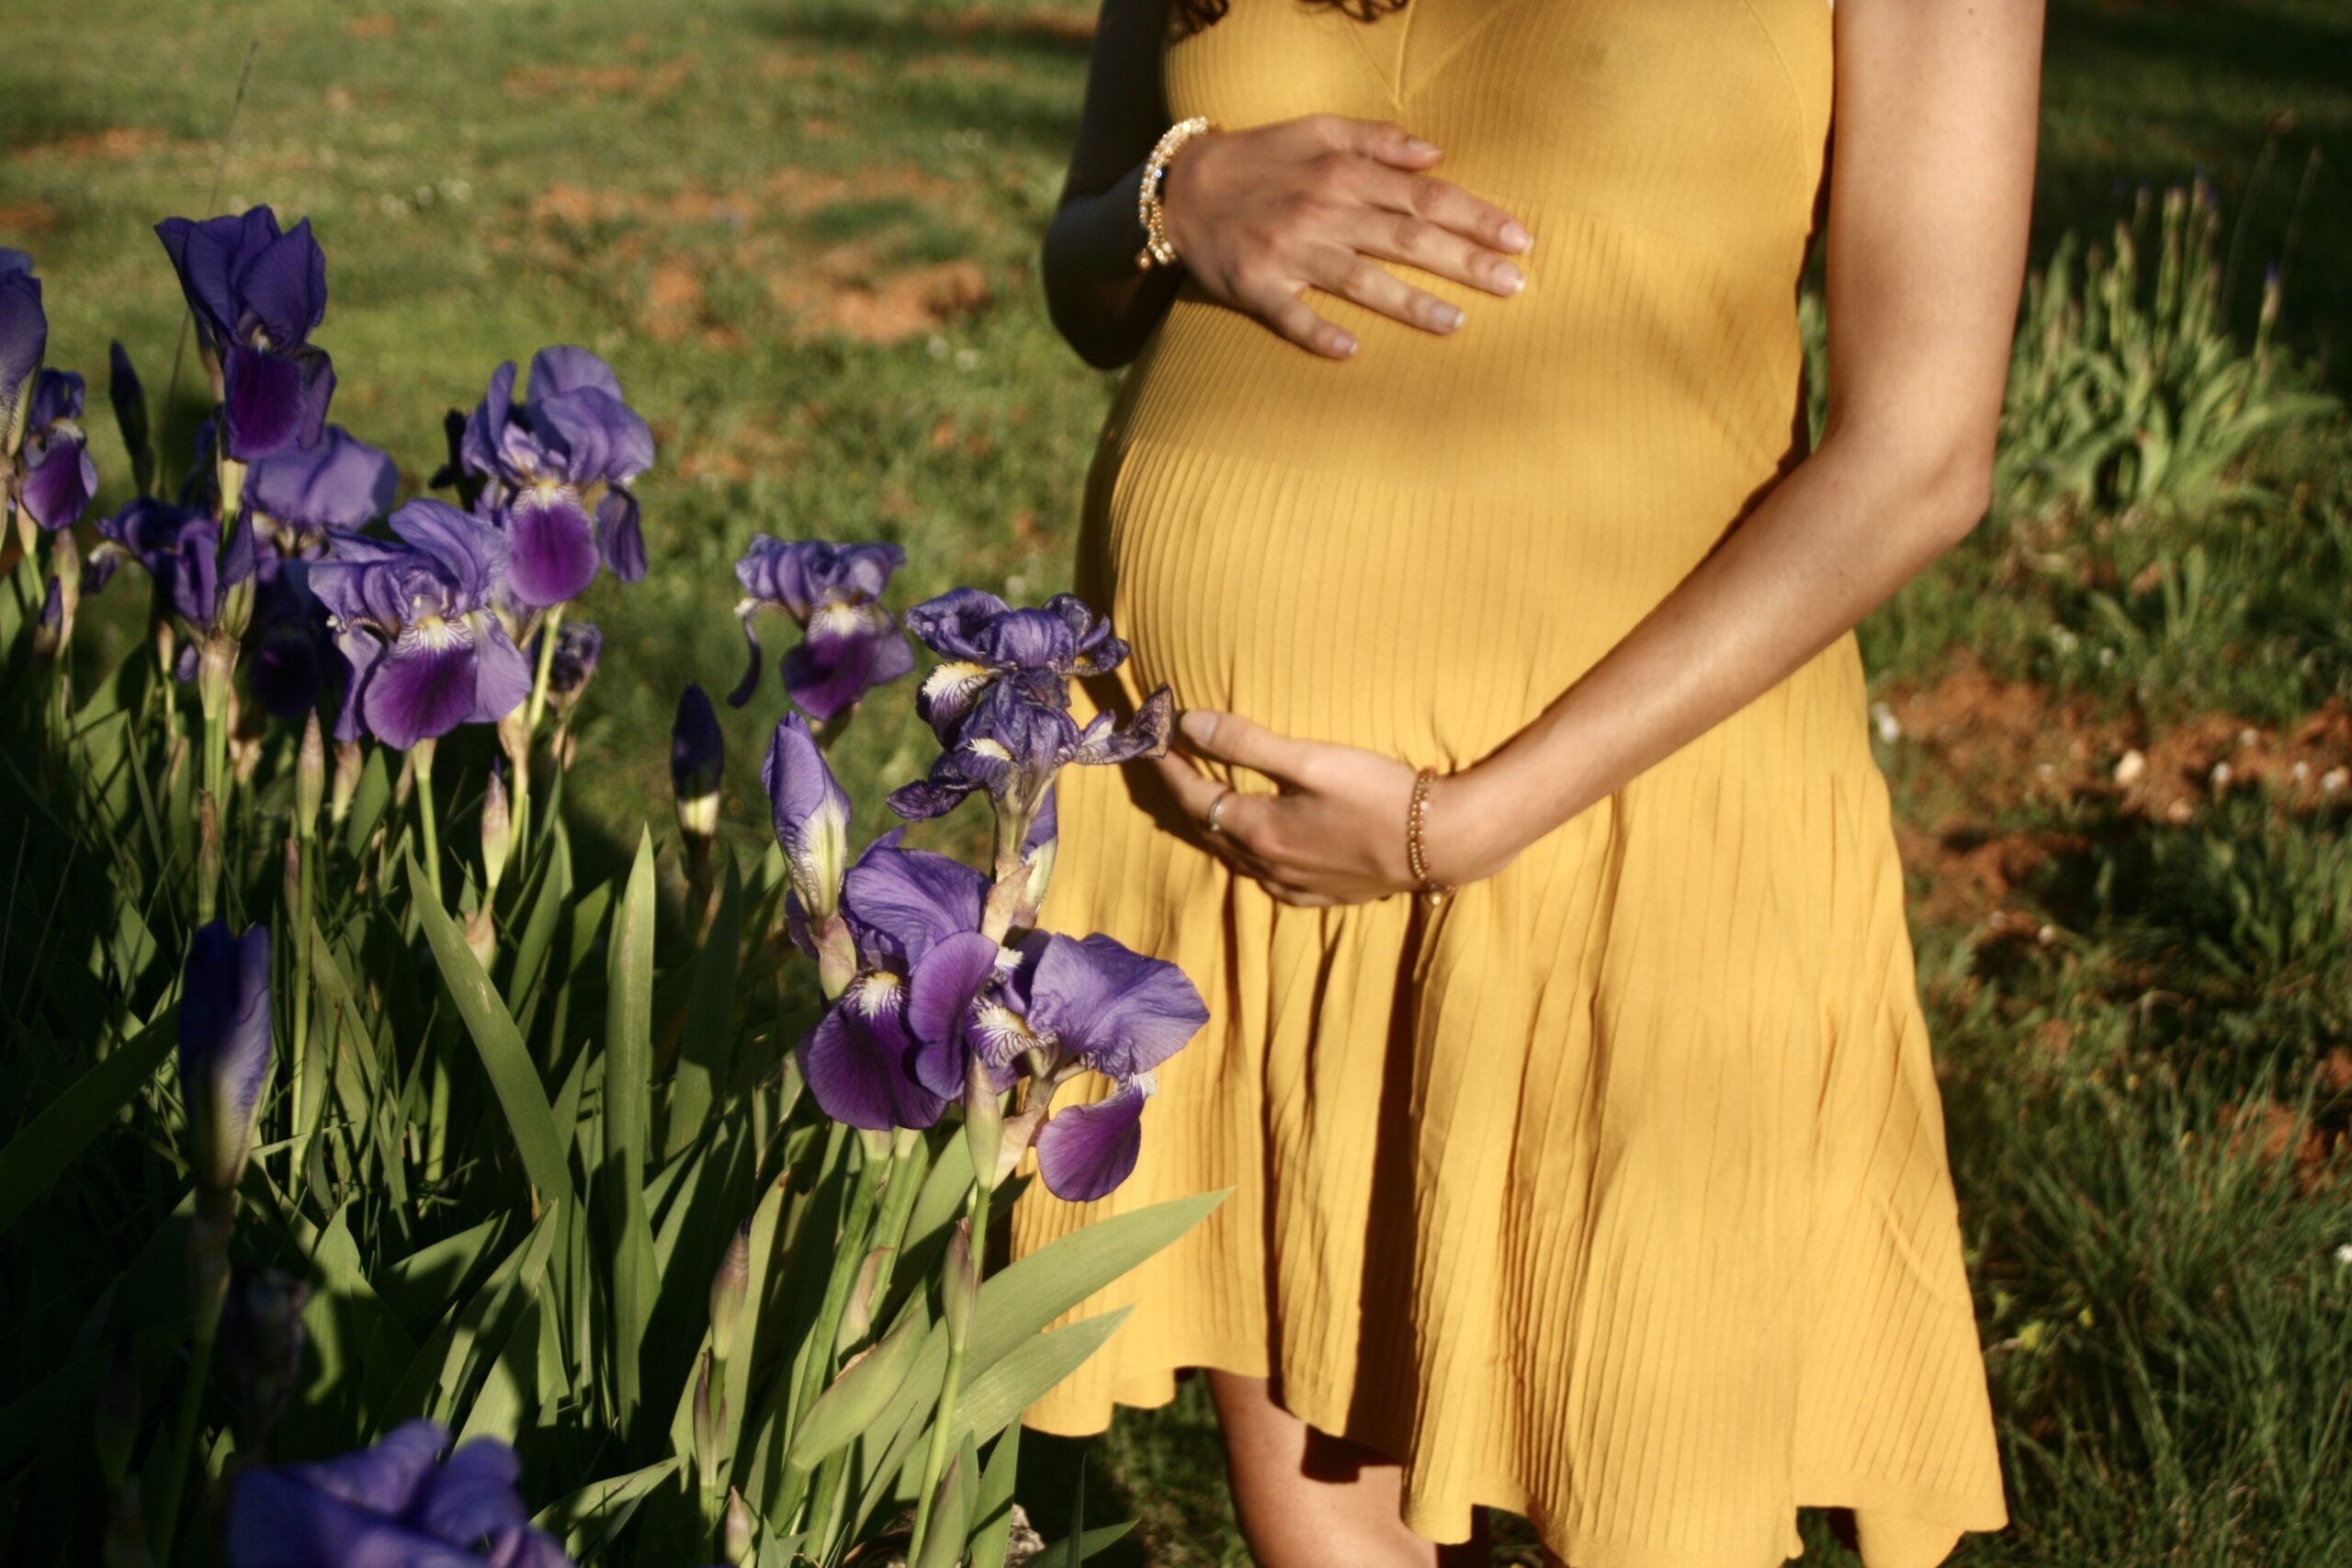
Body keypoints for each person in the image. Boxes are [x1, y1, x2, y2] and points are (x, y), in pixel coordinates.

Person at [1012, 2, 2044, 1564]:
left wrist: (1462, 821)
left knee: (1639, 1462)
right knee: (1320, 1435)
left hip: (1628, 812)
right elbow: (1086, 279)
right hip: (1231, 843)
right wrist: (1177, 196)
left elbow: (1920, 453)